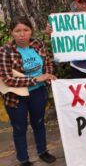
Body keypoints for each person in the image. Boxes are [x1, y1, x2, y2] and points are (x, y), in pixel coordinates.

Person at [0, 17, 57, 166]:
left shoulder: (38, 44)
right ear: (12, 32)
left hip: (38, 93)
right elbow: (7, 79)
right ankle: (23, 159)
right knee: (20, 128)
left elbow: (48, 63)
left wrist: (48, 76)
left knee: (38, 123)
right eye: (17, 31)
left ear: (31, 31)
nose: (22, 34)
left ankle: (43, 151)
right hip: (16, 96)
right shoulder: (5, 51)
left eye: (25, 30)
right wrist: (36, 79)